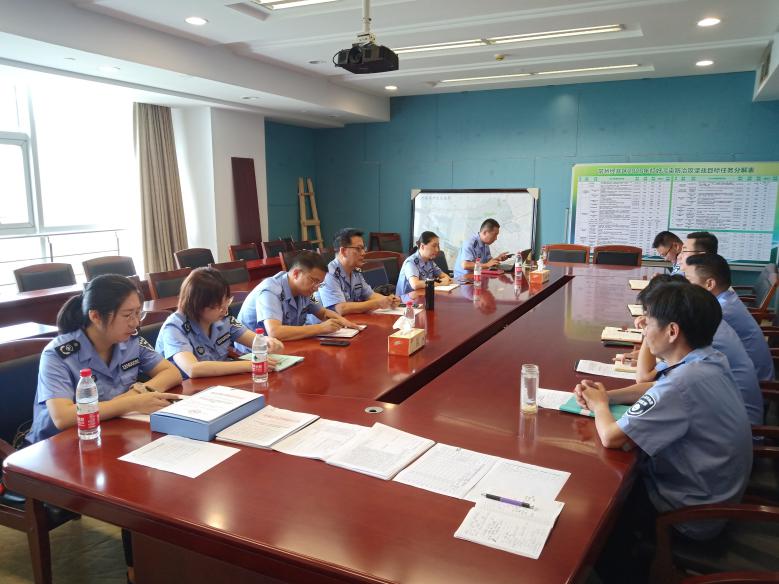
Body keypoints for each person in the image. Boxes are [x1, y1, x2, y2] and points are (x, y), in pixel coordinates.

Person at [576, 279, 752, 582]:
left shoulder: (683, 384)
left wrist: (600, 406)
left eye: (648, 323)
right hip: (715, 492)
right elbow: (656, 387)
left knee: (598, 511)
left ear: (672, 331)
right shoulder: (707, 358)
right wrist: (607, 396)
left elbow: (611, 437)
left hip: (691, 515)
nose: (643, 330)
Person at [27, 275, 182, 445]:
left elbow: (171, 372)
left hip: (108, 432)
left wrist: (137, 393)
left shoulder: (130, 340)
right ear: (95, 316)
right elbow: (62, 417)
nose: (135, 323)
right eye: (127, 315)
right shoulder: (58, 354)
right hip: (57, 445)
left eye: (138, 313)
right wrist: (130, 403)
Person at [633, 275, 763, 426]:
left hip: (748, 424)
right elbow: (656, 382)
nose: (645, 323)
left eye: (649, 318)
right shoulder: (700, 334)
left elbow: (645, 378)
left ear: (672, 329)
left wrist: (648, 334)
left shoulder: (687, 371)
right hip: (728, 419)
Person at [156, 268, 284, 379]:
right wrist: (251, 365)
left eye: (227, 302)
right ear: (198, 305)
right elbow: (193, 369)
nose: (225, 310)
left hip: (219, 382)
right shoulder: (174, 328)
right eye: (218, 306)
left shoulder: (223, 318)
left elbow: (255, 340)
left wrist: (267, 341)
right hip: (187, 390)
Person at [685, 253, 774, 381]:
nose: (685, 286)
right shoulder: (727, 298)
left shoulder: (721, 311)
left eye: (689, 280)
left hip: (756, 380)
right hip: (749, 372)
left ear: (709, 284)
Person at [237, 250, 359, 341]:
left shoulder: (305, 291)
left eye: (320, 283)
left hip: (284, 347)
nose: (316, 287)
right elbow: (275, 332)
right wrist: (320, 328)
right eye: (314, 281)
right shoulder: (270, 291)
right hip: (254, 354)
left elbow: (323, 313)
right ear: (296, 274)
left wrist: (345, 323)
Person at [318, 228, 400, 314]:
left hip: (349, 320)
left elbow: (370, 295)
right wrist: (377, 303)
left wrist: (389, 300)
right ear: (343, 251)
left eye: (363, 248)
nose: (363, 253)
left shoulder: (355, 271)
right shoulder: (329, 274)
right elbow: (340, 308)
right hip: (328, 322)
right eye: (358, 249)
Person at [396, 231, 454, 302]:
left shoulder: (430, 261)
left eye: (438, 246)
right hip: (406, 302)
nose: (437, 250)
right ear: (422, 246)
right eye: (434, 246)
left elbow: (446, 277)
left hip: (422, 297)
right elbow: (415, 284)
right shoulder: (411, 262)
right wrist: (440, 283)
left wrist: (443, 280)